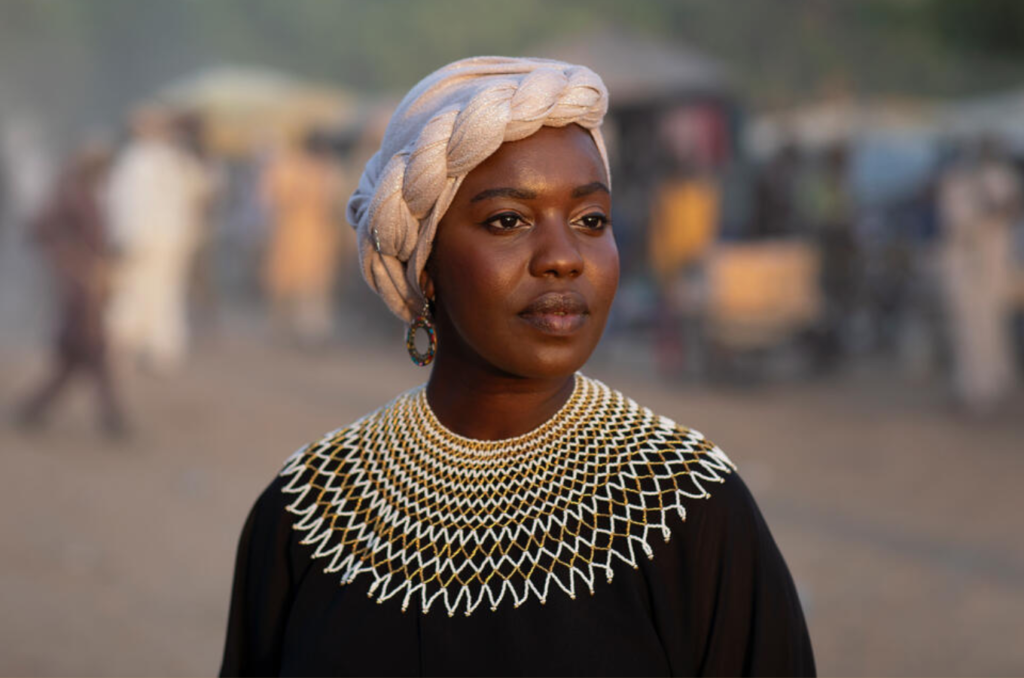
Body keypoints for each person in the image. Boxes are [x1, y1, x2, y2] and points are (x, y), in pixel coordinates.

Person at [220, 57, 815, 677]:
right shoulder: (310, 510)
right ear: (425, 264)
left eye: (591, 220)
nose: (563, 258)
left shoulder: (686, 505)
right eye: (508, 220)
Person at [15, 142, 127, 436]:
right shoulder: (72, 197)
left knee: (78, 358)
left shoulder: (81, 194)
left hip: (84, 282)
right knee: (91, 349)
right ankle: (111, 419)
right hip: (79, 286)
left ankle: (32, 410)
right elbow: (38, 230)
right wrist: (68, 259)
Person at [105, 105, 214, 374]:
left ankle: (140, 347)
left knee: (143, 293)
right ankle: (150, 349)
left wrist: (123, 239)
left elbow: (123, 204)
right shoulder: (169, 160)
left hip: (149, 239)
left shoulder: (140, 161)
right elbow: (202, 191)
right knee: (159, 294)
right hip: (166, 239)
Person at [938, 136, 1022, 414]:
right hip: (966, 269)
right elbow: (958, 223)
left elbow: (1010, 209)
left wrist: (997, 207)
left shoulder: (999, 179)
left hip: (992, 269)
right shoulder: (956, 183)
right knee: (970, 333)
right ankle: (974, 392)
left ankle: (994, 388)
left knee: (993, 331)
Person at [261, 130, 344, 346]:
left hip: (311, 234)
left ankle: (309, 331)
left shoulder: (322, 170)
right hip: (296, 234)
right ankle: (291, 330)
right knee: (290, 286)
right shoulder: (293, 167)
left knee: (311, 288)